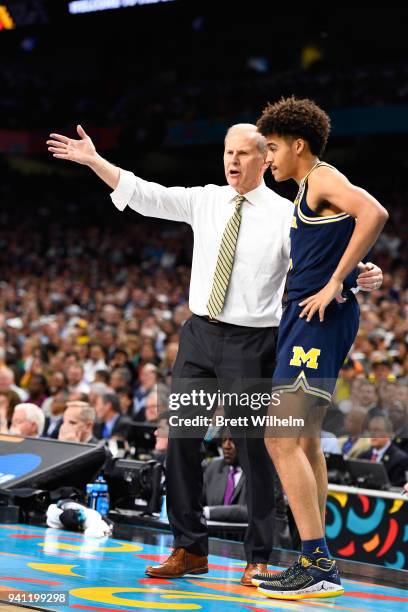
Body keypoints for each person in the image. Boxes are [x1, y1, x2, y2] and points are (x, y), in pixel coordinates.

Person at [47, 122, 382, 585]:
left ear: (265, 158)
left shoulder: (287, 213)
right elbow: (145, 193)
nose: (233, 161)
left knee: (256, 450)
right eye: (228, 152)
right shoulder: (204, 199)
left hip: (254, 341)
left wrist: (363, 272)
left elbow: (327, 252)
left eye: (244, 153)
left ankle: (258, 557)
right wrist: (94, 161)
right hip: (199, 334)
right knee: (180, 442)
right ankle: (188, 549)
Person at [252, 97, 388, 600]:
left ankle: (316, 562)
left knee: (280, 437)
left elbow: (374, 212)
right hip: (303, 317)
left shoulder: (323, 177)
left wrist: (336, 283)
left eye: (271, 148)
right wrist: (355, 274)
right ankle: (315, 556)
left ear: (298, 145)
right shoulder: (306, 192)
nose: (268, 159)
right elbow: (344, 238)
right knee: (303, 439)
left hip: (318, 320)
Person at [357, 414, 408, 486]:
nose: (372, 434)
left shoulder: (400, 459)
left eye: (377, 430)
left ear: (389, 433)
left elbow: (397, 486)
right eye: (370, 430)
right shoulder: (362, 456)